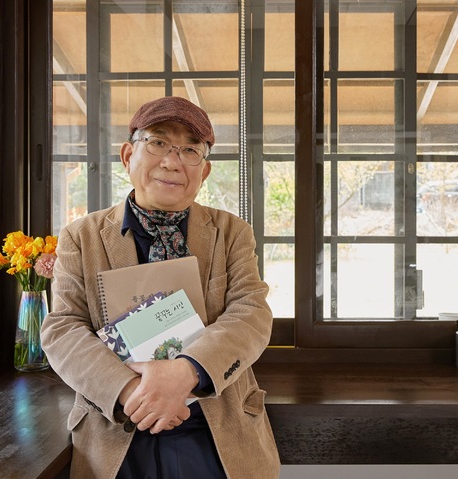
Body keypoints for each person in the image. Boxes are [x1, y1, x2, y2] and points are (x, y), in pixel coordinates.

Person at [41, 96, 280, 479]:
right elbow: (64, 327)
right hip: (118, 427)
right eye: (157, 142)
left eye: (190, 150)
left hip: (215, 429)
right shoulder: (81, 236)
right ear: (127, 154)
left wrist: (186, 372)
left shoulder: (232, 232)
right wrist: (132, 392)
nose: (172, 161)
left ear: (204, 172)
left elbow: (250, 314)